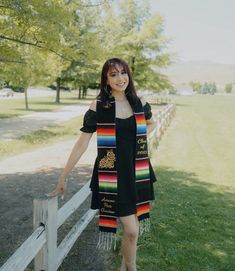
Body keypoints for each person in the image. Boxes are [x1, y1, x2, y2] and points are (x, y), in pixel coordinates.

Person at [48, 57, 157, 271]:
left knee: (130, 230)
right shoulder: (99, 106)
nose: (120, 78)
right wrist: (64, 175)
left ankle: (124, 267)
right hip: (113, 176)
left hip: (137, 172)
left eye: (123, 73)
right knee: (132, 230)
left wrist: (140, 136)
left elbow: (151, 124)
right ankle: (132, 268)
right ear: (106, 80)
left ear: (129, 75)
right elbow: (82, 143)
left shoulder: (139, 103)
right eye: (113, 74)